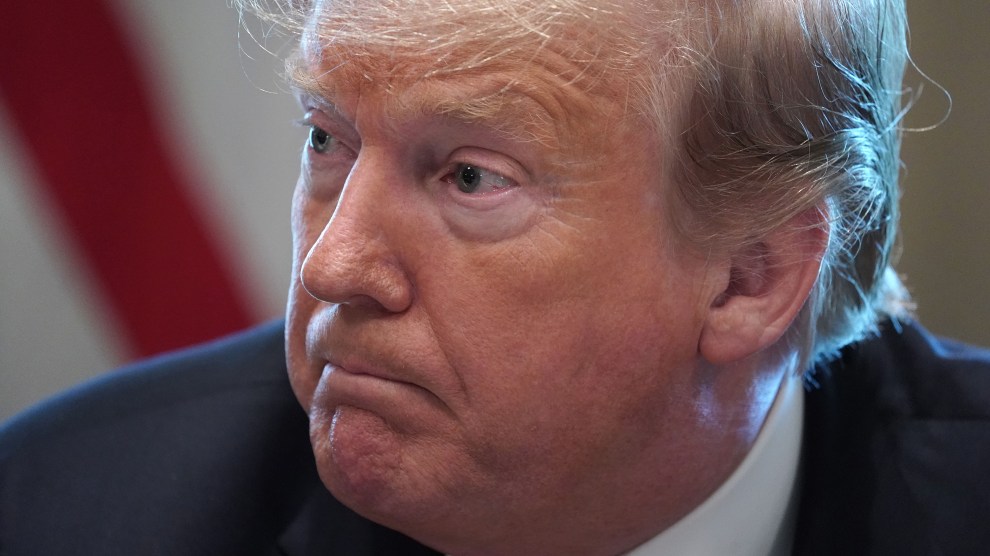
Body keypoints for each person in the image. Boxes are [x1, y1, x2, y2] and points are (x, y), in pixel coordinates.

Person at [1, 0, 989, 554]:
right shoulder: (65, 509)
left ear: (750, 276)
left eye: (471, 176)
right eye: (325, 140)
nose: (333, 264)